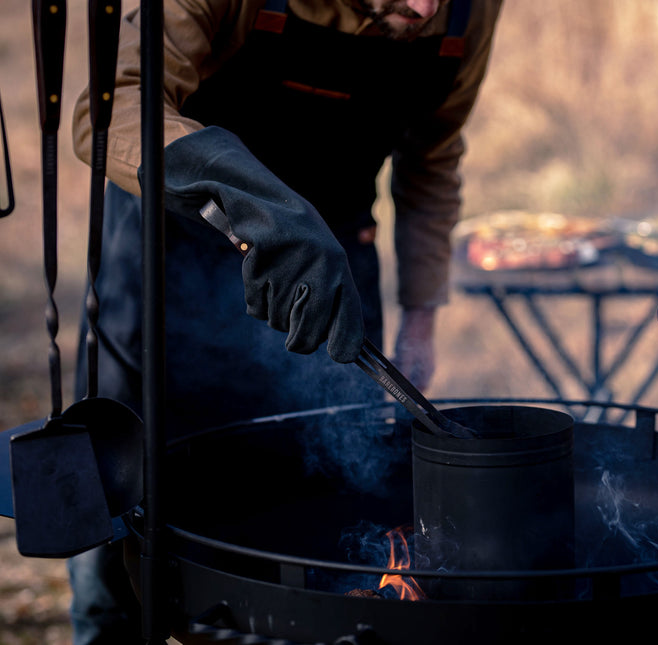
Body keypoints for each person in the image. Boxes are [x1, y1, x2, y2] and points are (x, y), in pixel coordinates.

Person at [65, 0, 504, 642]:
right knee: (123, 519)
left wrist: (420, 321)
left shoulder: (469, 12)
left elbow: (432, 157)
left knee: (332, 514)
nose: (424, 8)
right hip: (171, 263)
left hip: (333, 285)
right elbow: (113, 110)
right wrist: (260, 205)